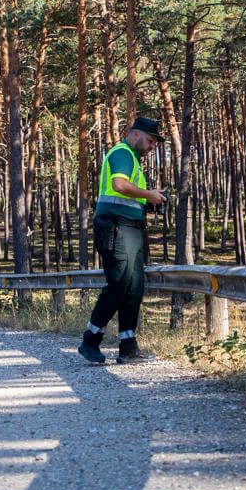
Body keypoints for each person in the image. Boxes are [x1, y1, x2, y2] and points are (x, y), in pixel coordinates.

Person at [79, 115, 167, 364]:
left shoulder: (134, 160)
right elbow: (119, 185)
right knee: (119, 284)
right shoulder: (122, 153)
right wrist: (148, 194)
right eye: (150, 141)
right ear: (136, 134)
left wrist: (148, 200)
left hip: (130, 228)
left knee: (135, 286)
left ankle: (128, 346)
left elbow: (128, 194)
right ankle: (91, 339)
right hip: (116, 227)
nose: (152, 147)